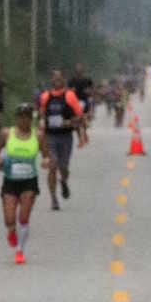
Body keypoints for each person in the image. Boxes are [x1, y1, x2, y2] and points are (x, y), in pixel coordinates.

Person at [0, 101, 44, 263]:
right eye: (21, 116)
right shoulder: (6, 133)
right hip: (10, 180)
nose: (24, 120)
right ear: (16, 118)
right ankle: (11, 231)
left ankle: (20, 250)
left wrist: (47, 161)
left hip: (29, 180)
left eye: (27, 116)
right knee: (9, 219)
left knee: (23, 217)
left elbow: (47, 155)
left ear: (31, 119)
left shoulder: (38, 135)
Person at [38, 69, 85, 209]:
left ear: (63, 79)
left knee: (64, 167)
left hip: (65, 137)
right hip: (50, 136)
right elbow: (41, 115)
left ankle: (63, 181)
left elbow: (80, 117)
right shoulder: (45, 96)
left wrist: (69, 122)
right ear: (51, 80)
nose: (57, 80)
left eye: (60, 78)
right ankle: (53, 199)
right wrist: (41, 123)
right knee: (52, 166)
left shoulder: (70, 96)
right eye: (55, 78)